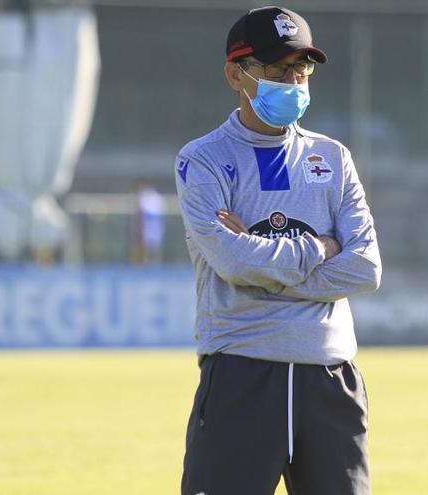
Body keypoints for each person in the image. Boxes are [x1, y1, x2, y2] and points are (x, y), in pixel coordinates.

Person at [174, 7, 381, 495]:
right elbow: (230, 261)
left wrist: (261, 257)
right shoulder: (203, 159)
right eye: (276, 69)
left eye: (301, 68)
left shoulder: (332, 156)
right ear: (235, 74)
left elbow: (366, 268)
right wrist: (321, 249)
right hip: (242, 373)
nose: (293, 80)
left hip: (331, 378)